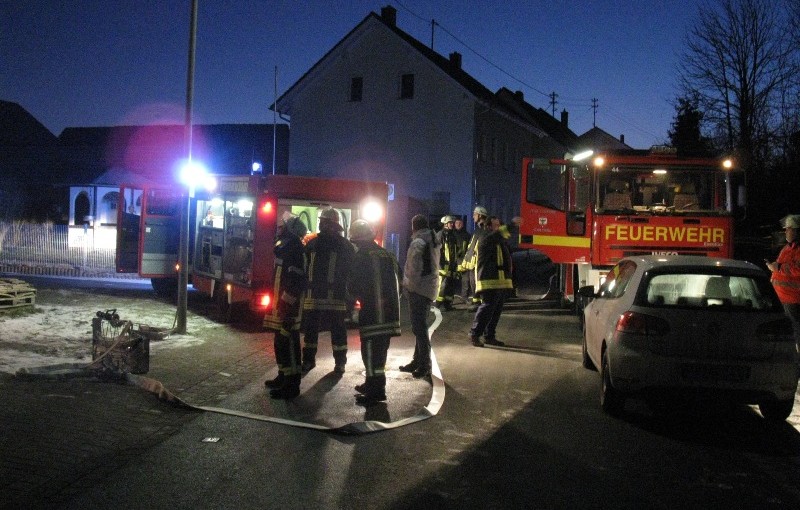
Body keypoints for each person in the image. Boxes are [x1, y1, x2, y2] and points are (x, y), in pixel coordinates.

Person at [347, 219, 402, 406]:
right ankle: (373, 384)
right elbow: (399, 281)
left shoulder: (360, 256)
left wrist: (350, 304)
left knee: (370, 352)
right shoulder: (388, 254)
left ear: (357, 239)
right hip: (390, 315)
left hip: (372, 315)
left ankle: (376, 392)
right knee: (380, 353)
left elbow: (353, 285)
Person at [301, 207, 355, 374]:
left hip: (320, 296)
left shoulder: (313, 244)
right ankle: (336, 363)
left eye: (323, 221)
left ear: (326, 223)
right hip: (333, 297)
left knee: (316, 331)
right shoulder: (346, 245)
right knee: (334, 331)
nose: (322, 224)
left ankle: (314, 361)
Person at [262, 215, 307, 399]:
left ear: (290, 230)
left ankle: (292, 385)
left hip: (289, 307)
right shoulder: (286, 248)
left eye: (284, 227)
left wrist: (286, 304)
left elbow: (296, 281)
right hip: (280, 304)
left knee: (288, 343)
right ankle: (283, 376)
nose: (280, 228)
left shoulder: (295, 250)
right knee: (280, 341)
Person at [399, 214, 441, 379]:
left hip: (418, 289)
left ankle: (424, 364)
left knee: (419, 328)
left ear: (413, 226)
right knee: (420, 327)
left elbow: (413, 269)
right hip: (429, 288)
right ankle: (417, 361)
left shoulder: (418, 242)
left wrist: (407, 287)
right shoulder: (433, 240)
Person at [469, 216, 513, 347]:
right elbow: (498, 235)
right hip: (488, 280)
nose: (498, 227)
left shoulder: (498, 240)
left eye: (499, 224)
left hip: (499, 280)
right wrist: (512, 224)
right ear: (488, 226)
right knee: (487, 308)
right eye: (495, 225)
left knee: (496, 310)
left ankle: (489, 336)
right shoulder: (486, 237)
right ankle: (475, 334)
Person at [766, 214, 800, 360]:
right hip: (783, 298)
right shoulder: (788, 247)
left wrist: (778, 267)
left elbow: (797, 268)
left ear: (797, 230)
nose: (785, 232)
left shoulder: (797, 248)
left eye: (788, 229)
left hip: (792, 299)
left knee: (795, 333)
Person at [459, 206, 491, 311]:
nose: (473, 216)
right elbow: (472, 246)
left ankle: (480, 304)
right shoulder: (478, 229)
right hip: (473, 263)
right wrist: (466, 261)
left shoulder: (485, 229)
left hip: (479, 263)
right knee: (473, 283)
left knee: (478, 283)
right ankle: (476, 302)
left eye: (475, 214)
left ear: (480, 215)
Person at [435, 215, 460, 311]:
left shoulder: (452, 235)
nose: (452, 225)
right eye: (450, 223)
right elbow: (437, 251)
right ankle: (438, 304)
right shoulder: (440, 235)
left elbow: (453, 251)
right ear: (445, 224)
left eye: (452, 223)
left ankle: (448, 304)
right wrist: (439, 265)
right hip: (443, 265)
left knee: (450, 285)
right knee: (442, 285)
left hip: (451, 265)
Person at [453, 217, 471, 300]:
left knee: (465, 279)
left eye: (460, 223)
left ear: (463, 224)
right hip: (453, 260)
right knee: (451, 279)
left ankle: (464, 296)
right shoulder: (452, 235)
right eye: (457, 223)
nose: (458, 225)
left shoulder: (467, 235)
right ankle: (450, 297)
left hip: (464, 260)